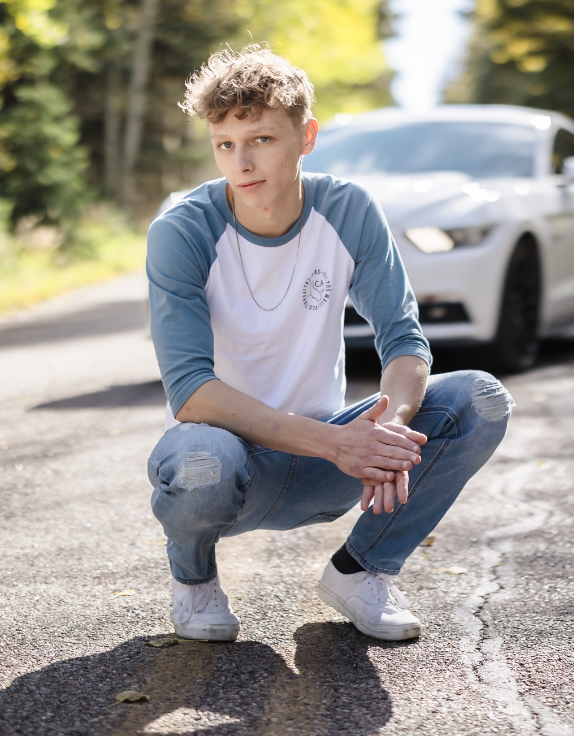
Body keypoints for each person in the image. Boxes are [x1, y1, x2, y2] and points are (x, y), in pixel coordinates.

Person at [145, 45, 512, 642]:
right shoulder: (182, 230)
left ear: (306, 135)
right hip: (226, 468)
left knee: (481, 399)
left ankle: (361, 572)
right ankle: (194, 582)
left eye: (261, 139)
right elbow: (191, 393)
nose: (242, 161)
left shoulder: (347, 208)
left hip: (323, 463)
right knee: (203, 457)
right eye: (225, 144)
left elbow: (403, 339)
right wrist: (339, 444)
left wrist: (385, 433)